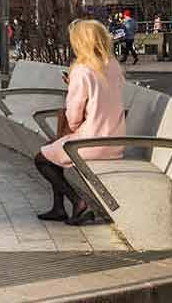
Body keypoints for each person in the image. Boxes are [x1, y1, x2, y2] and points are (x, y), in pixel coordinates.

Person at [36, 18, 127, 226]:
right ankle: (59, 208)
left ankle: (78, 203)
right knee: (54, 148)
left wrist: (73, 130)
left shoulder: (81, 70)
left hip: (91, 143)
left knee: (41, 159)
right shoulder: (112, 65)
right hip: (115, 139)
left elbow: (74, 115)